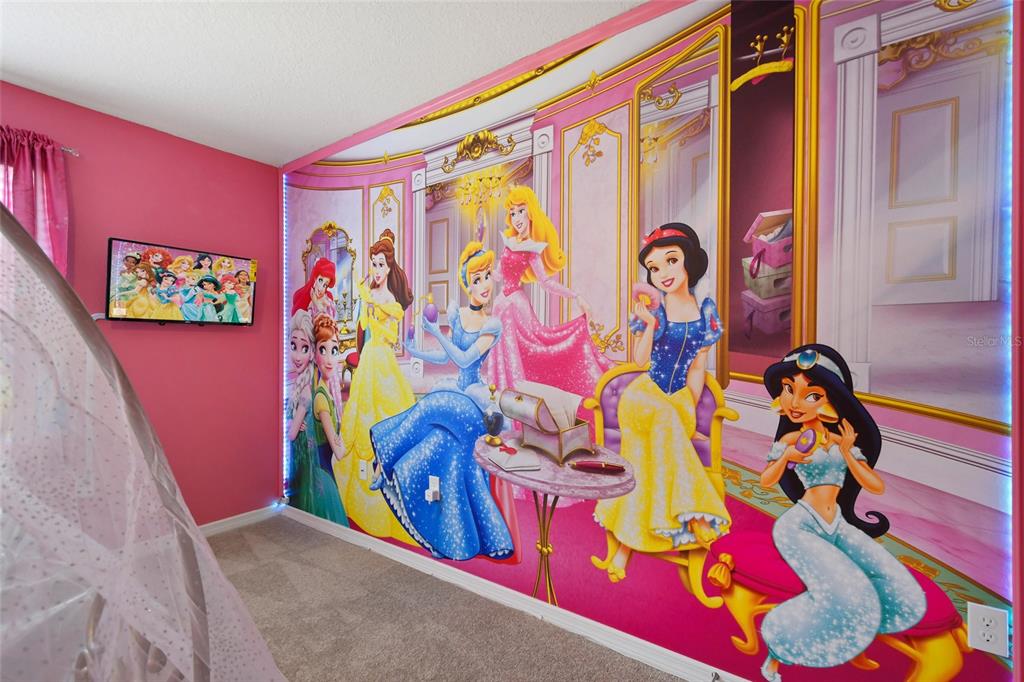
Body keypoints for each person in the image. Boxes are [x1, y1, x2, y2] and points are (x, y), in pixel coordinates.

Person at [757, 345, 925, 681]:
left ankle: (863, 625)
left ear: (832, 401)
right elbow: (766, 480)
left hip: (836, 524)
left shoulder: (840, 442)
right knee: (850, 597)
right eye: (788, 389)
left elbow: (875, 485)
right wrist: (785, 457)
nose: (794, 402)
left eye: (810, 395)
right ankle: (779, 646)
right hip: (801, 526)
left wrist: (848, 453)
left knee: (904, 594)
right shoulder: (790, 440)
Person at [592, 223, 730, 583]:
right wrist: (651, 325)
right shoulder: (656, 310)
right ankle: (696, 514)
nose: (663, 273)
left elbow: (697, 367)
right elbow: (639, 362)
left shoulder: (706, 312)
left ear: (689, 262)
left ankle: (623, 551)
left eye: (671, 260)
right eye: (654, 268)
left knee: (651, 455)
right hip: (643, 396)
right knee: (663, 421)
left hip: (678, 399)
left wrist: (689, 410)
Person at [371, 241, 516, 561]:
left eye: (487, 276)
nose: (484, 285)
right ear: (467, 284)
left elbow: (464, 360)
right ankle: (448, 536)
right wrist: (416, 350)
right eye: (476, 279)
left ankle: (384, 455)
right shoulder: (459, 315)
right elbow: (444, 356)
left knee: (430, 404)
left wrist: (436, 332)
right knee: (442, 446)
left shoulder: (492, 324)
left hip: (474, 404)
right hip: (456, 395)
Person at [483, 185, 612, 397]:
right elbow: (498, 275)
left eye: (521, 211)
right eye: (512, 213)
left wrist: (576, 296)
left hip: (516, 306)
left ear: (531, 213)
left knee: (528, 352)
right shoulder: (508, 243)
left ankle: (519, 398)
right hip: (500, 305)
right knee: (502, 351)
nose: (516, 218)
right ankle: (500, 395)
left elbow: (546, 283)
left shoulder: (532, 249)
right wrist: (484, 268)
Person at [335, 230, 416, 545]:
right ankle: (358, 488)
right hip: (368, 358)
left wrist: (373, 305)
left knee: (386, 412)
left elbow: (390, 337)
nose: (377, 270)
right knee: (361, 415)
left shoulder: (391, 301)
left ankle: (387, 484)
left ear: (389, 267)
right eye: (373, 264)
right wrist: (365, 306)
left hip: (382, 361)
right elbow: (365, 328)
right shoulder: (369, 294)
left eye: (381, 264)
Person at [287, 311, 349, 525]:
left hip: (318, 474)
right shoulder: (316, 395)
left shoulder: (316, 392)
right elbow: (339, 452)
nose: (330, 360)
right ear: (316, 353)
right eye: (323, 350)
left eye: (334, 350)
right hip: (317, 474)